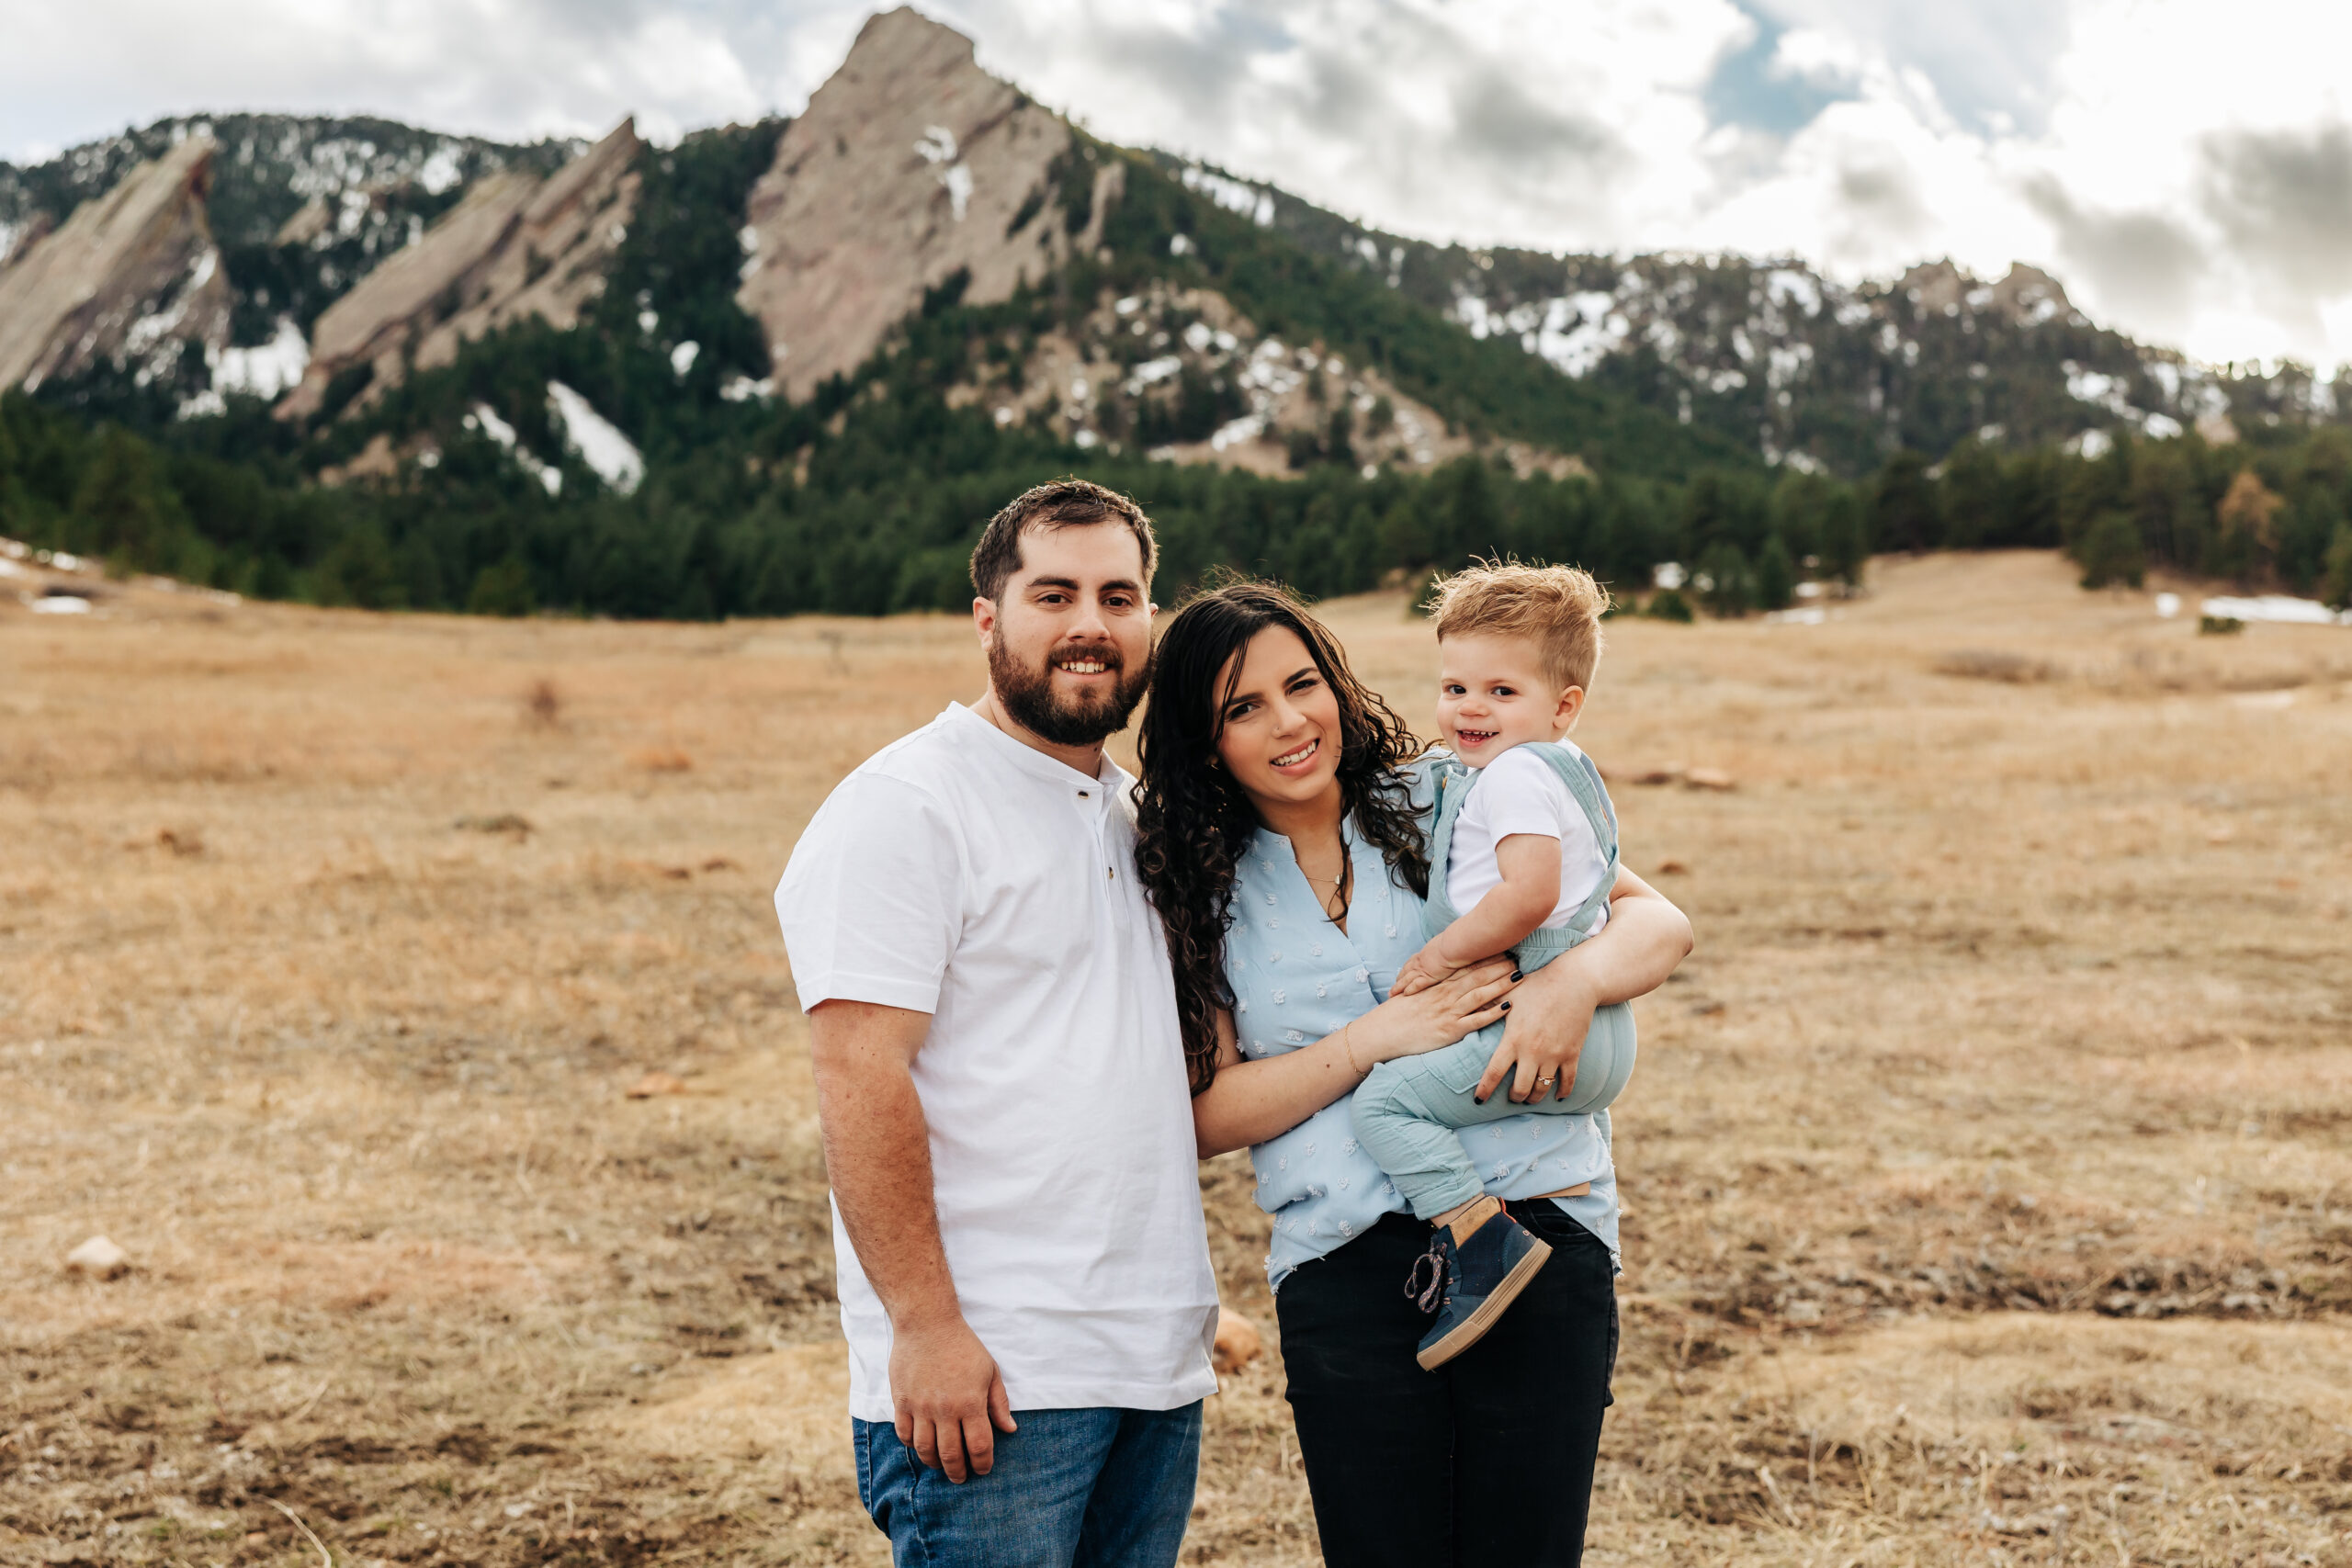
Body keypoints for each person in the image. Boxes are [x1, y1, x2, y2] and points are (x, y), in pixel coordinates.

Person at [1131, 580, 1691, 1568]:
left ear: (1338, 684)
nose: (1289, 722)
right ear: (1202, 736)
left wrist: (1573, 982)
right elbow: (1211, 1112)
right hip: (1341, 1265)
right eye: (1242, 708)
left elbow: (1655, 921)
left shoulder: (1455, 790)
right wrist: (1370, 1041)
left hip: (1537, 1224)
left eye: (1302, 684)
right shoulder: (1199, 883)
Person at [775, 480, 1217, 1568]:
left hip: (1150, 1360)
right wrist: (922, 1327)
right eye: (1053, 594)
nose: (1090, 626)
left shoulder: (1134, 817)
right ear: (988, 618)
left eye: (1120, 597)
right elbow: (859, 1073)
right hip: (994, 1379)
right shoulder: (909, 806)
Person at [1353, 560, 1639, 1370]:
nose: (1469, 707)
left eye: (1501, 692)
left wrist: (1438, 956)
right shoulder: (1564, 771)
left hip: (1547, 1018)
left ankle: (1482, 1242)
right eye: (1454, 687)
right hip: (1591, 1019)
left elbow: (1526, 897)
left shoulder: (1514, 775)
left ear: (1564, 705)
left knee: (1384, 1108)